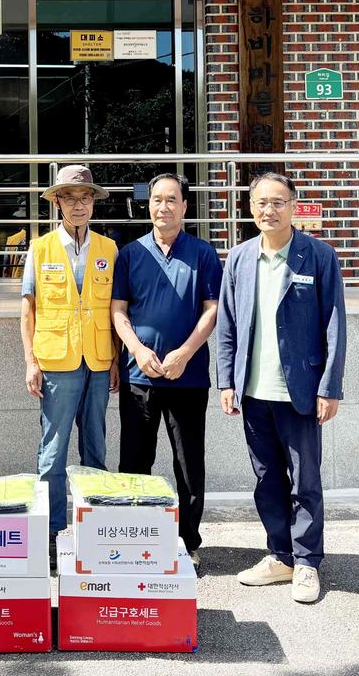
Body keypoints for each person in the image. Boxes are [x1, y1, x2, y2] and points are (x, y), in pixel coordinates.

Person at [216, 171, 347, 604]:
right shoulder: (238, 258)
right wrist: (228, 381)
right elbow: (228, 326)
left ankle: (307, 561)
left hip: (302, 391)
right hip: (253, 391)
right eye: (261, 203)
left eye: (278, 202)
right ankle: (280, 556)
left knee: (305, 478)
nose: (268, 210)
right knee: (267, 478)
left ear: (293, 206)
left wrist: (330, 388)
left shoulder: (318, 255)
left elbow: (335, 325)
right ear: (250, 208)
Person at [110, 173, 222, 571]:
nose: (163, 207)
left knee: (189, 463)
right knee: (135, 462)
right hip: (140, 376)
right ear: (149, 205)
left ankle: (189, 540)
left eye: (171, 200)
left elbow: (212, 310)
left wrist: (185, 353)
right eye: (157, 200)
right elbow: (118, 311)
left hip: (187, 378)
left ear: (185, 206)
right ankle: (133, 538)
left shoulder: (203, 253)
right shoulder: (130, 253)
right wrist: (136, 350)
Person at [20, 165, 119, 570]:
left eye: (85, 198)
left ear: (93, 201)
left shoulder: (109, 249)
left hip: (97, 360)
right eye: (70, 198)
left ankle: (93, 530)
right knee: (53, 450)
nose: (78, 206)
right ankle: (52, 533)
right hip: (56, 360)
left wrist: (113, 357)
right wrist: (29, 361)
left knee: (95, 446)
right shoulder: (40, 248)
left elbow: (115, 309)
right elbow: (27, 309)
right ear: (57, 202)